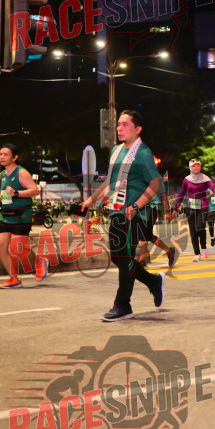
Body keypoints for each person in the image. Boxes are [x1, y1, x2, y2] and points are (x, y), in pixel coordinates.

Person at [80, 110, 166, 322]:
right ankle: (152, 281)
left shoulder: (143, 153)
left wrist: (137, 205)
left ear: (138, 129)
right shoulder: (116, 150)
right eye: (118, 124)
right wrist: (91, 199)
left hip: (135, 214)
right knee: (118, 258)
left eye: (125, 124)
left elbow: (156, 183)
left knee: (125, 257)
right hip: (117, 211)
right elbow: (110, 181)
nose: (119, 128)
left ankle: (123, 305)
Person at [0, 143, 49, 288]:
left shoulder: (21, 173)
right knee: (1, 245)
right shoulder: (3, 174)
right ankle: (14, 278)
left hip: (22, 215)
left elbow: (35, 190)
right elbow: (6, 193)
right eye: (0, 154)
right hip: (6, 215)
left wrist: (16, 193)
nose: (1, 157)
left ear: (15, 157)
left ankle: (40, 262)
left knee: (19, 248)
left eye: (5, 154)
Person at [136, 174, 177, 273]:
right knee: (146, 234)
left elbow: (163, 194)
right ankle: (169, 251)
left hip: (154, 207)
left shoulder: (156, 177)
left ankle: (142, 261)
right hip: (143, 207)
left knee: (144, 233)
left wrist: (168, 211)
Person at [174, 159, 214, 262]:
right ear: (190, 167)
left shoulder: (205, 178)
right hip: (190, 208)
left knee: (200, 228)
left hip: (202, 207)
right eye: (194, 166)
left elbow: (213, 188)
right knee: (193, 231)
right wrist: (175, 208)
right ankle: (197, 253)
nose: (196, 168)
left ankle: (204, 247)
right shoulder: (186, 179)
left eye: (198, 165)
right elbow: (181, 194)